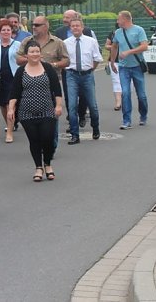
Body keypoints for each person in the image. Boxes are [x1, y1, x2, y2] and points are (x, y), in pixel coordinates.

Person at [7, 40, 63, 182]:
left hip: (47, 110)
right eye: (32, 52)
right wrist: (11, 109)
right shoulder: (21, 71)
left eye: (37, 51)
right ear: (26, 55)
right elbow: (14, 92)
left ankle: (48, 164)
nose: (35, 54)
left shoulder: (48, 68)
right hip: (26, 112)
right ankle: (38, 167)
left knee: (47, 138)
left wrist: (58, 106)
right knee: (34, 140)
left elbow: (56, 89)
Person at [17, 15, 69, 152]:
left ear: (46, 26)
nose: (34, 27)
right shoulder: (27, 41)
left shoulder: (57, 42)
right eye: (33, 24)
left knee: (51, 115)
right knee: (33, 115)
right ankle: (38, 143)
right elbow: (18, 58)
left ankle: (51, 144)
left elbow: (66, 61)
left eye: (37, 25)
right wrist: (31, 59)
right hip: (30, 84)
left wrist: (53, 65)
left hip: (50, 84)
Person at [53, 10, 98, 129]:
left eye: (67, 17)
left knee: (84, 96)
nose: (64, 19)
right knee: (69, 97)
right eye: (64, 17)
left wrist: (91, 68)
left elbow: (95, 51)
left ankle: (82, 114)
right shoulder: (59, 32)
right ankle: (72, 122)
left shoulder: (87, 31)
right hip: (68, 71)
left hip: (85, 71)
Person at [63, 17, 103, 143]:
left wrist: (90, 69)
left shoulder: (91, 41)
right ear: (70, 28)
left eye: (77, 25)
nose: (75, 28)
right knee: (72, 105)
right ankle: (75, 134)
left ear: (82, 27)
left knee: (92, 105)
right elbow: (63, 60)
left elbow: (97, 58)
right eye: (73, 26)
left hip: (87, 75)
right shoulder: (65, 43)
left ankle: (95, 127)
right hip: (72, 75)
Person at [109, 10, 149, 129]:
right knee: (125, 93)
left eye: (118, 19)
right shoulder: (118, 32)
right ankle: (126, 120)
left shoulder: (139, 30)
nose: (117, 21)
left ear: (125, 19)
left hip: (137, 66)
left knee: (141, 95)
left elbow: (144, 46)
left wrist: (129, 52)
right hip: (123, 67)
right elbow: (114, 46)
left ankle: (143, 115)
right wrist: (112, 62)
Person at [0, 19, 20, 142]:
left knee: (11, 105)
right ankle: (10, 123)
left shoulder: (18, 44)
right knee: (3, 105)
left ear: (11, 31)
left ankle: (9, 132)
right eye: (3, 30)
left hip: (13, 78)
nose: (6, 32)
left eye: (8, 30)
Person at [105, 25, 123, 111]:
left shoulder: (134, 33)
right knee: (116, 81)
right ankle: (118, 102)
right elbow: (106, 46)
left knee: (128, 82)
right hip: (114, 61)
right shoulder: (113, 33)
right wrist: (114, 46)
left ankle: (125, 99)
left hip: (128, 61)